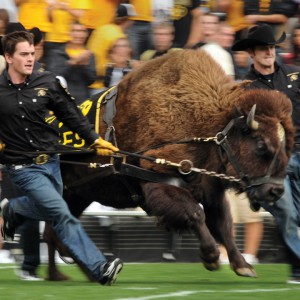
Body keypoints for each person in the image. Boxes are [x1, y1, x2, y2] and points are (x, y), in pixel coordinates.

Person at [0, 30, 123, 285]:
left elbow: (72, 115)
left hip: (53, 163)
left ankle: (13, 210)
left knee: (50, 208)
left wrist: (94, 140)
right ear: (8, 57)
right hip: (22, 168)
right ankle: (99, 268)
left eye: (32, 53)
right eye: (24, 54)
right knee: (60, 214)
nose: (30, 58)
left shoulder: (47, 82)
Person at [232, 23, 300, 284]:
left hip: (299, 152)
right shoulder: (246, 90)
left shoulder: (295, 76)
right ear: (251, 53)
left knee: (297, 215)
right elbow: (241, 131)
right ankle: (298, 265)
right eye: (262, 49)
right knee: (287, 214)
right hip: (272, 163)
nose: (268, 52)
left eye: (271, 47)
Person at [87, 3, 135, 94]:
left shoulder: (101, 29)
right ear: (128, 20)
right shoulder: (118, 37)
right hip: (105, 87)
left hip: (91, 84)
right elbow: (122, 62)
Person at [46, 21, 96, 104]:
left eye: (82, 31)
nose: (79, 34)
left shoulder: (89, 55)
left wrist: (85, 66)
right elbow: (53, 76)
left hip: (82, 99)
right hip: (61, 99)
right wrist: (73, 62)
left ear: (86, 34)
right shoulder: (57, 53)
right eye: (75, 31)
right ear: (68, 32)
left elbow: (91, 80)